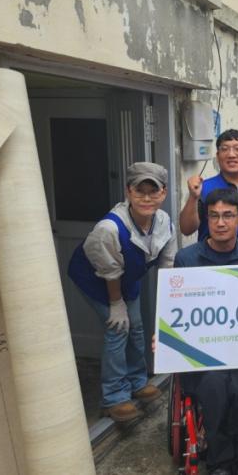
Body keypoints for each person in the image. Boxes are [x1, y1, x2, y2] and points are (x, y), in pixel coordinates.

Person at [174, 188, 238, 475]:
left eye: (228, 216)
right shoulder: (186, 259)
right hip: (203, 352)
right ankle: (220, 461)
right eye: (214, 216)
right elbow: (174, 309)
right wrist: (165, 335)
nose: (220, 223)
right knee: (215, 383)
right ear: (206, 219)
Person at [68, 162, 175, 422]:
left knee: (136, 326)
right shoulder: (110, 228)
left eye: (153, 191)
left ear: (163, 193)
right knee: (118, 328)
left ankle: (137, 382)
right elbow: (110, 272)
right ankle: (114, 397)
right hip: (96, 279)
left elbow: (168, 266)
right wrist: (116, 304)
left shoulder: (163, 222)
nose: (146, 198)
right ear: (128, 191)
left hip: (127, 277)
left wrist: (169, 310)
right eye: (140, 191)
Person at [179, 129, 238, 250]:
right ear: (217, 156)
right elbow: (186, 229)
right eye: (224, 149)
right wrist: (193, 197)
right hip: (212, 259)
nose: (231, 154)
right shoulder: (204, 188)